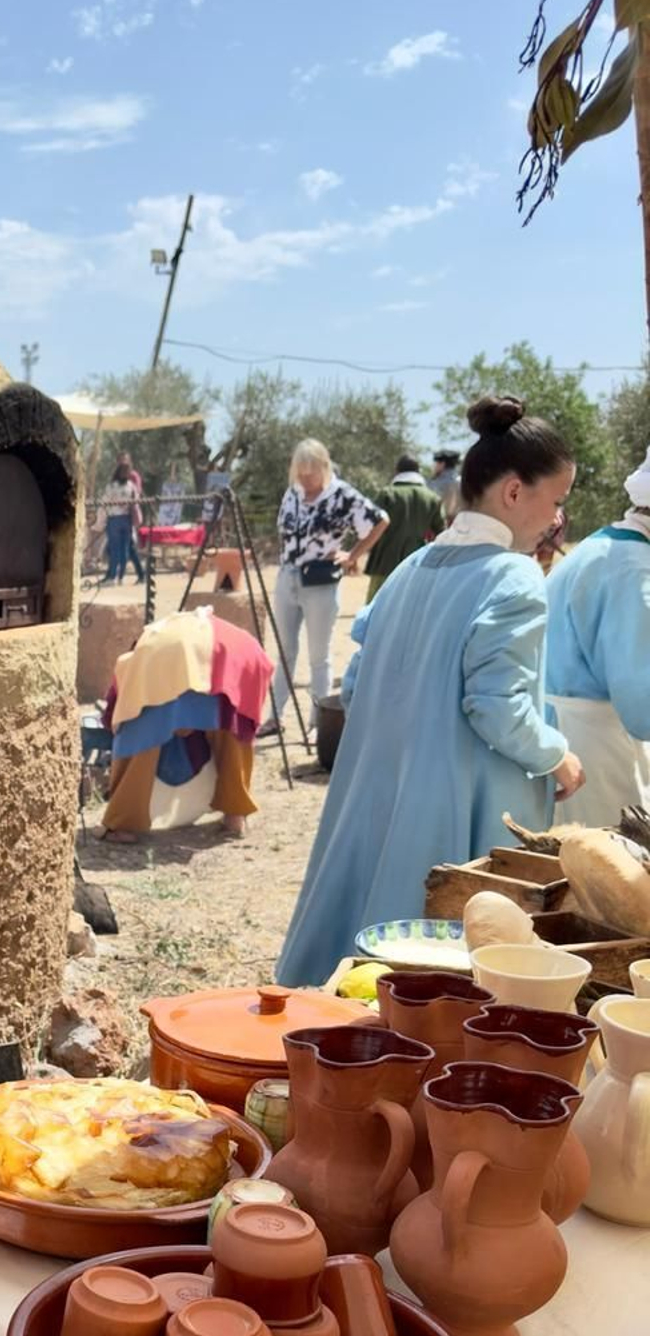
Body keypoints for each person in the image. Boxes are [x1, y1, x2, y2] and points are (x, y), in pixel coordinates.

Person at [278, 396, 584, 986]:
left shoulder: (409, 571)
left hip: (378, 796)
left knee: (360, 977)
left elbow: (359, 683)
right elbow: (498, 708)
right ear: (515, 493)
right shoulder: (515, 577)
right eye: (557, 501)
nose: (556, 520)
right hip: (455, 814)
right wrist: (558, 757)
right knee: (436, 988)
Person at [542, 442, 650, 824]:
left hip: (569, 735)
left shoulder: (606, 545)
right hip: (594, 749)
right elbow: (643, 706)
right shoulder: (634, 571)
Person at [268, 440, 387, 726]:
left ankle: (317, 722)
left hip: (320, 582)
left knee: (318, 656)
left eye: (311, 473)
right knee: (284, 651)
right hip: (287, 577)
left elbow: (380, 520)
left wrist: (353, 555)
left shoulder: (342, 495)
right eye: (301, 473)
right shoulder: (292, 494)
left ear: (324, 467)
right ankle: (275, 717)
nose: (306, 479)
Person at [363, 453, 446, 599]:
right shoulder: (432, 498)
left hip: (385, 561)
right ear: (418, 472)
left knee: (376, 607)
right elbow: (442, 532)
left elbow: (370, 524)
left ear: (397, 471)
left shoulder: (387, 494)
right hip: (416, 562)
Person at [103, 461, 144, 583]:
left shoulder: (112, 486)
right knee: (124, 549)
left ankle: (113, 576)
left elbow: (105, 501)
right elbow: (136, 500)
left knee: (116, 549)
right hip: (126, 519)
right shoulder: (131, 486)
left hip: (115, 519)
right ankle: (120, 576)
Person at [429, 449, 462, 521]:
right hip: (460, 522)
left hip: (439, 522)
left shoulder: (436, 483)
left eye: (436, 463)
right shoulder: (462, 481)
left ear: (442, 464)